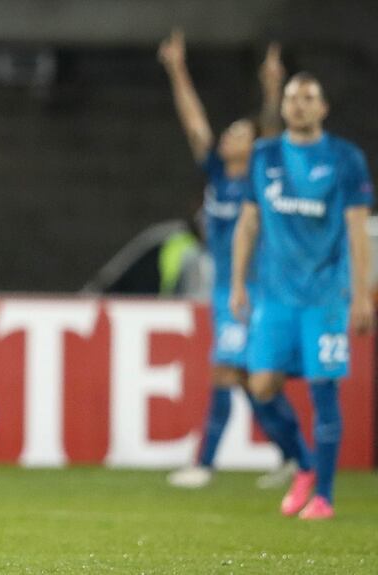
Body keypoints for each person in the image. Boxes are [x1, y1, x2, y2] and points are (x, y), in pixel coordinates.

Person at [157, 30, 314, 490]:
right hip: (227, 288)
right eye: (228, 133)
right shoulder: (215, 173)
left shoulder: (262, 177)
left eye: (238, 133)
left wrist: (272, 88)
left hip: (256, 289)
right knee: (251, 382)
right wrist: (176, 69)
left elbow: (270, 127)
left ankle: (205, 464)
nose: (228, 137)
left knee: (232, 373)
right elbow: (193, 121)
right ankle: (296, 458)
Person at [231, 72, 374, 520]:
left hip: (325, 295)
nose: (297, 104)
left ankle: (325, 498)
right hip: (274, 297)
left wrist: (363, 294)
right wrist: (237, 281)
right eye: (291, 97)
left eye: (308, 97)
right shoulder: (264, 154)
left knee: (322, 391)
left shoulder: (345, 159)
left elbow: (357, 229)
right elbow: (249, 221)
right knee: (259, 385)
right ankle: (306, 465)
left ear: (323, 108)